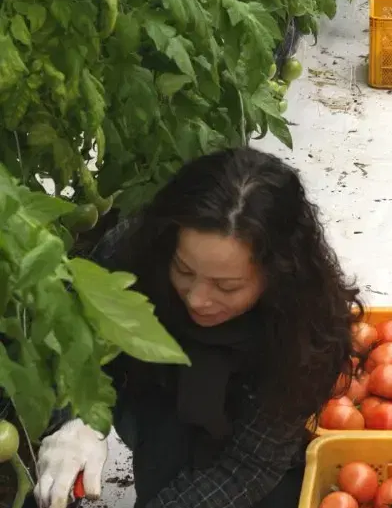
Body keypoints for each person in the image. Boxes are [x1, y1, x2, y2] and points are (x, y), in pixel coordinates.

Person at [32, 148, 361, 508]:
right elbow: (72, 334)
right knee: (161, 458)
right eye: (184, 271)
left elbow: (249, 465)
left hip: (245, 410)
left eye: (227, 287)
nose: (197, 299)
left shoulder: (303, 330)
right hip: (150, 385)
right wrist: (75, 419)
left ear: (276, 276)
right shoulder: (137, 249)